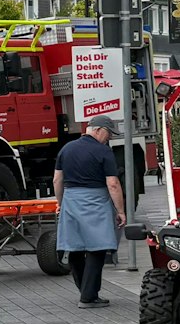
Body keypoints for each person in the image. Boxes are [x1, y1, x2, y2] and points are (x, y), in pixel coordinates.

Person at [53, 115, 126, 308]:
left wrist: (61, 203)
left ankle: (85, 290)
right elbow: (113, 183)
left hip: (70, 200)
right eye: (109, 134)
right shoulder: (103, 151)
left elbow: (57, 180)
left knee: (75, 247)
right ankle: (88, 296)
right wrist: (121, 211)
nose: (109, 138)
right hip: (95, 202)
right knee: (97, 247)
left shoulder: (66, 149)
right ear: (99, 130)